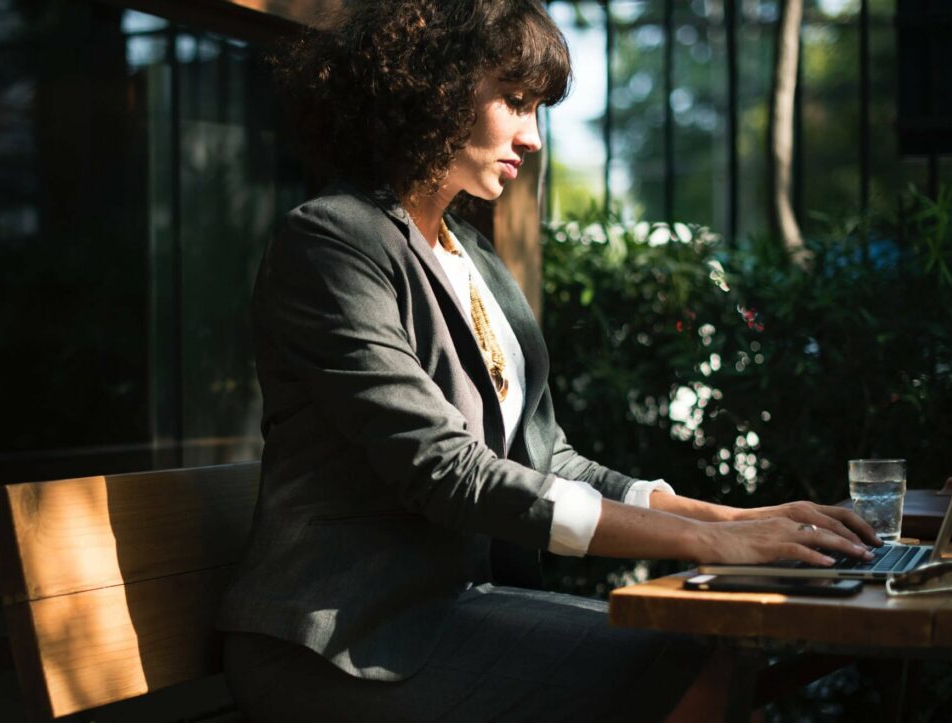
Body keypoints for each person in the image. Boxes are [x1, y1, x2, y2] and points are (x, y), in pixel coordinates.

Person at [217, 2, 882, 720]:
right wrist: (706, 539)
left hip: (448, 615)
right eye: (515, 100)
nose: (532, 137)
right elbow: (446, 470)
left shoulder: (471, 257)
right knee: (682, 656)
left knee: (702, 644)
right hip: (340, 642)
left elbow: (547, 459)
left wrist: (734, 518)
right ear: (432, 84)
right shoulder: (332, 242)